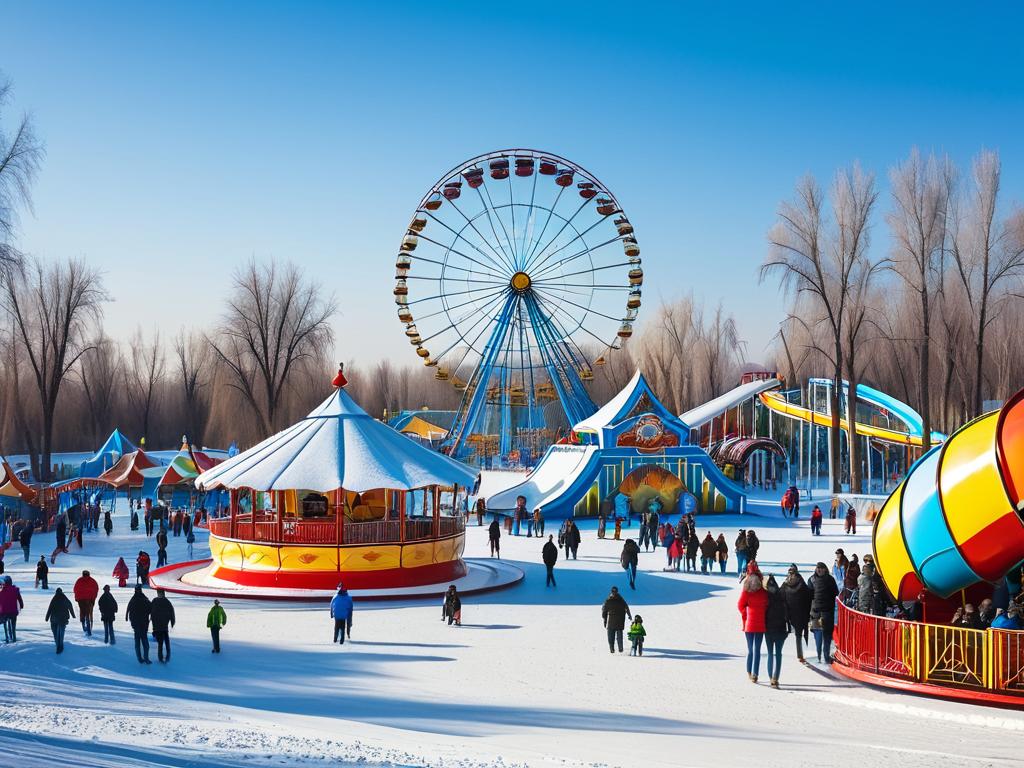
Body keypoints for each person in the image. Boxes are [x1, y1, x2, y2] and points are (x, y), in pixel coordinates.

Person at [738, 571, 768, 682]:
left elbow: (740, 605)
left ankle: (751, 673)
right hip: (754, 624)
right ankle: (753, 673)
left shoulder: (747, 592)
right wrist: (747, 614)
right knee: (755, 650)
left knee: (752, 650)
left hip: (751, 625)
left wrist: (746, 614)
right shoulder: (763, 593)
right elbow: (766, 605)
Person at [808, 562, 839, 663]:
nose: (819, 570)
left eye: (821, 568)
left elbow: (836, 593)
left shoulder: (830, 580)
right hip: (816, 612)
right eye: (818, 568)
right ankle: (819, 656)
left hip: (827, 612)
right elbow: (808, 595)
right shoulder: (811, 580)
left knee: (827, 636)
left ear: (825, 569)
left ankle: (825, 656)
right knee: (818, 636)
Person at [781, 564, 812, 662]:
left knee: (798, 634)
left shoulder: (788, 583)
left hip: (796, 613)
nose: (791, 575)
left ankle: (800, 654)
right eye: (790, 573)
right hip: (796, 613)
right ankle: (799, 654)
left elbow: (808, 595)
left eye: (792, 573)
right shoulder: (797, 582)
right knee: (798, 634)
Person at [764, 574, 789, 688]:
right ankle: (775, 678)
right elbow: (787, 612)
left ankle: (771, 678)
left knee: (770, 654)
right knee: (778, 654)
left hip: (769, 630)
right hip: (780, 629)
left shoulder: (765, 598)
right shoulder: (782, 596)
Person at [44, 587, 75, 654]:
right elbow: (70, 606)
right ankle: (60, 645)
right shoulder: (64, 598)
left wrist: (47, 618)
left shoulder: (54, 599)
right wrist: (73, 615)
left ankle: (58, 645)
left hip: (54, 619)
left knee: (55, 633)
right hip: (63, 619)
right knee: (61, 633)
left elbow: (50, 608)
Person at [126, 586, 152, 664]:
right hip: (143, 624)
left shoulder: (133, 600)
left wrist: (131, 622)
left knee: (138, 642)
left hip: (137, 625)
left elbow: (128, 612)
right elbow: (151, 610)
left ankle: (140, 658)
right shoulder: (145, 599)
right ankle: (146, 658)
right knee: (144, 642)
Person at [602, 585, 631, 653]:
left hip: (611, 620)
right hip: (620, 620)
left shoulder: (608, 600)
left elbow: (604, 610)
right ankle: (620, 648)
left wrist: (605, 620)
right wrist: (629, 615)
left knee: (610, 634)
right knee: (619, 634)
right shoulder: (621, 599)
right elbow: (626, 607)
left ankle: (612, 648)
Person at [150, 589, 175, 662]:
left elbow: (171, 612)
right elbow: (172, 612)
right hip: (159, 626)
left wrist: (172, 621)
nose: (160, 594)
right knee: (162, 642)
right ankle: (162, 657)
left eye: (160, 593)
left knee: (164, 642)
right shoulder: (159, 601)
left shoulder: (159, 601)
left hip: (161, 626)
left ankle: (165, 656)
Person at [73, 570, 99, 637]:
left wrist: (77, 598)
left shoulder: (79, 581)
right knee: (89, 611)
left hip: (81, 599)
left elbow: (75, 589)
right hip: (90, 599)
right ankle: (89, 623)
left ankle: (83, 621)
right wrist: (94, 598)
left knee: (82, 611)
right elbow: (96, 589)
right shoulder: (93, 581)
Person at [1, 576, 23, 643]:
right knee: (13, 625)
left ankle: (7, 637)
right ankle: (14, 637)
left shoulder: (1, 591)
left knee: (5, 624)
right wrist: (21, 605)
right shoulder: (15, 590)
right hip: (13, 611)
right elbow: (20, 599)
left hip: (4, 612)